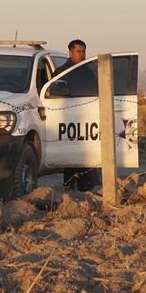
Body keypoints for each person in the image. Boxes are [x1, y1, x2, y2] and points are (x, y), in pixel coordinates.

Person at [57, 39, 98, 191]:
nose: (82, 54)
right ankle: (68, 186)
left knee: (87, 155)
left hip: (87, 119)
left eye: (83, 51)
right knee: (70, 154)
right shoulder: (61, 72)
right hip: (67, 120)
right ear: (70, 53)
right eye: (78, 51)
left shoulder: (88, 72)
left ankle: (85, 188)